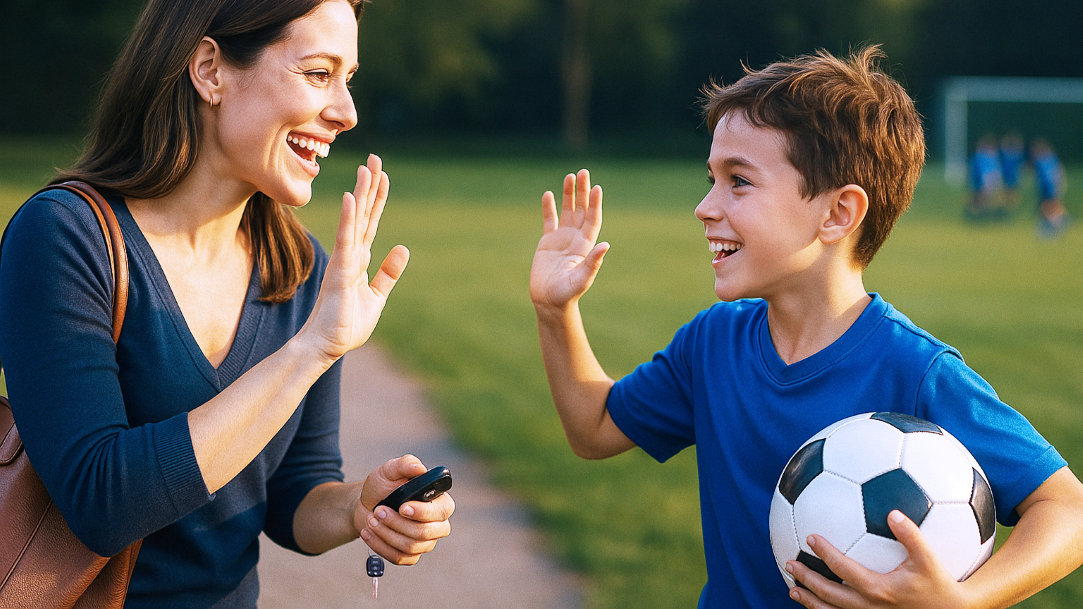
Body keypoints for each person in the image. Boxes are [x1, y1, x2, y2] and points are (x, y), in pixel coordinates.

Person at [529, 46, 1083, 608]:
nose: (705, 206)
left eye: (738, 181)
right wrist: (556, 312)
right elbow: (594, 429)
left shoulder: (916, 371)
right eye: (712, 178)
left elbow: (1069, 511)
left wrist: (962, 601)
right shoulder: (713, 342)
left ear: (838, 213)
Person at [0, 0, 454, 606]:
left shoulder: (304, 270)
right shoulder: (62, 235)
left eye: (348, 81)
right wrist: (310, 350)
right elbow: (100, 502)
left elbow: (293, 493)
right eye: (319, 74)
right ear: (210, 68)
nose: (346, 112)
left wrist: (359, 506)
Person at [1030, 138, 1069, 238]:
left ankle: (1056, 226)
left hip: (1048, 187)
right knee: (1051, 207)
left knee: (1048, 207)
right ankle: (1055, 225)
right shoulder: (1052, 159)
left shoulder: (1042, 161)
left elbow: (1045, 177)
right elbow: (1059, 173)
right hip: (1053, 186)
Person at [965, 134, 1003, 221]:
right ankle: (979, 213)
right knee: (981, 196)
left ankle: (979, 213)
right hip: (984, 178)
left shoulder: (985, 155)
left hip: (985, 178)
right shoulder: (982, 156)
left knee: (982, 197)